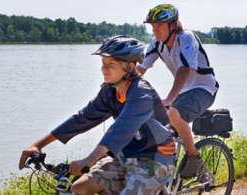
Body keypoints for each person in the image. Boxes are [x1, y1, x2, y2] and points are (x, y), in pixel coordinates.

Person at [19, 35, 177, 195]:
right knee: (78, 188)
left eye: (111, 64)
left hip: (156, 159)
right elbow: (82, 118)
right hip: (126, 156)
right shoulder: (109, 91)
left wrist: (88, 160)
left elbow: (119, 130)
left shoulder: (141, 94)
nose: (104, 69)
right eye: (103, 63)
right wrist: (39, 145)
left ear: (129, 67)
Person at [138, 4, 219, 181]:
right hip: (184, 93)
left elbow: (185, 70)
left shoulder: (187, 38)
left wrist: (169, 99)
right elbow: (140, 68)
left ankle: (194, 159)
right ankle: (158, 179)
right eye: (152, 25)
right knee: (152, 130)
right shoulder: (156, 44)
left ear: (173, 25)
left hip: (204, 89)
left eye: (159, 25)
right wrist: (119, 87)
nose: (154, 29)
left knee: (173, 112)